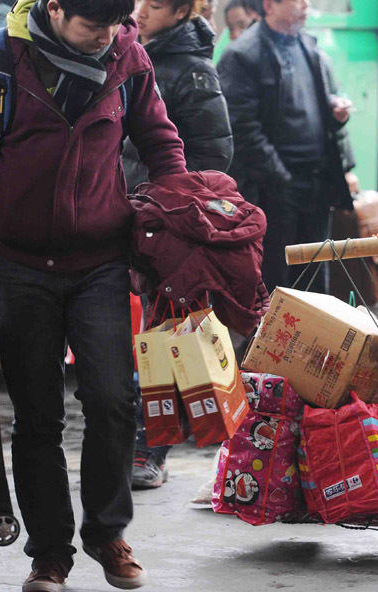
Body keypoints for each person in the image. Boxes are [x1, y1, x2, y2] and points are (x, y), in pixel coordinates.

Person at [0, 0, 187, 589]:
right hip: (18, 264)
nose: (104, 37)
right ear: (53, 9)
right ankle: (50, 553)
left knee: (111, 401)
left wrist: (181, 210)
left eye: (113, 24)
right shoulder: (6, 60)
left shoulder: (128, 59)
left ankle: (107, 535)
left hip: (99, 263)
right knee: (37, 417)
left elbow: (160, 141)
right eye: (90, 26)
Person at [123, 0, 233, 490]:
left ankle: (151, 450)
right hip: (124, 215)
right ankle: (133, 445)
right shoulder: (130, 53)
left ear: (184, 10)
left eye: (157, 3)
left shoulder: (191, 72)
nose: (142, 10)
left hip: (164, 226)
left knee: (164, 338)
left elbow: (214, 155)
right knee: (138, 340)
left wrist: (167, 211)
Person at [218, 0, 354, 294]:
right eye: (298, 0)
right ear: (269, 5)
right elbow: (242, 129)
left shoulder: (308, 46)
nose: (306, 5)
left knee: (315, 280)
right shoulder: (243, 55)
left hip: (315, 183)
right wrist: (281, 178)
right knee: (275, 283)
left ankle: (316, 341)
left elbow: (306, 102)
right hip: (273, 189)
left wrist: (332, 109)